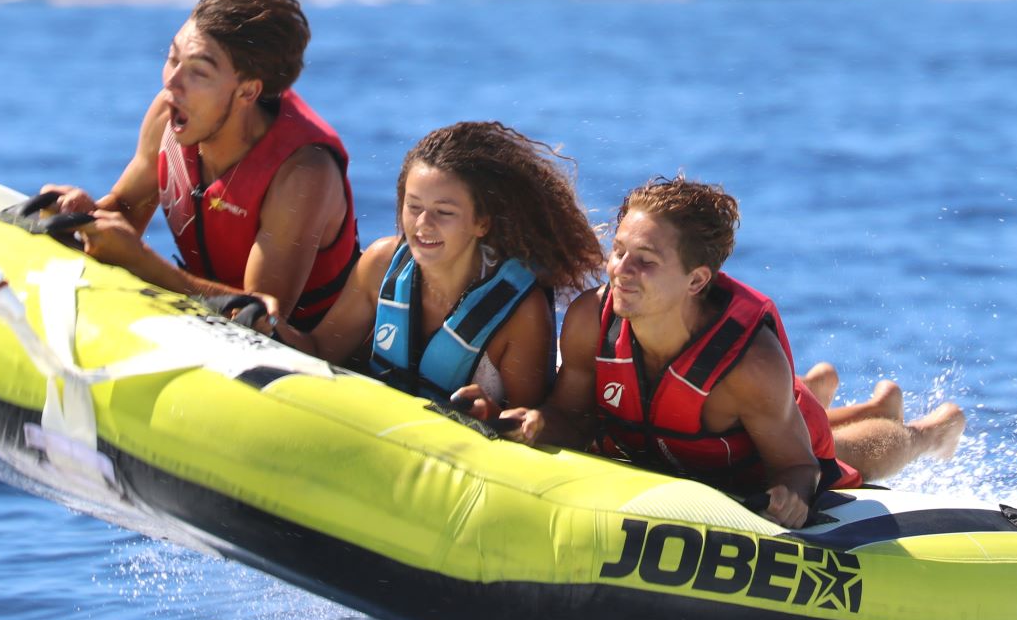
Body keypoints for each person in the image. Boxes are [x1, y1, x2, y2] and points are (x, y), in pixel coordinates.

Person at [504, 177, 963, 528]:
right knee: (773, 412)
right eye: (619, 250)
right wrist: (540, 423)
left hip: (755, 445)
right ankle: (820, 393)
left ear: (697, 280)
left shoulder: (749, 367)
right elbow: (571, 414)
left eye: (645, 260)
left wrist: (791, 494)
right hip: (708, 425)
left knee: (843, 455)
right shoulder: (591, 320)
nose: (620, 270)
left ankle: (926, 431)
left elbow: (801, 467)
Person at [44, 0, 358, 345]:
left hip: (317, 362)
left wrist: (141, 260)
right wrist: (83, 215)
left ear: (247, 91)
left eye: (199, 72)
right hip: (206, 323)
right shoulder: (169, 114)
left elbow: (257, 319)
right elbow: (126, 211)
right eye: (173, 58)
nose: (172, 84)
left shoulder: (303, 173)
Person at [292, 122, 602, 412]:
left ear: (482, 223)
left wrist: (493, 417)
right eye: (414, 207)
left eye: (444, 212)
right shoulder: (381, 263)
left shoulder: (521, 312)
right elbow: (317, 349)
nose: (423, 225)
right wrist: (263, 318)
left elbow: (527, 424)